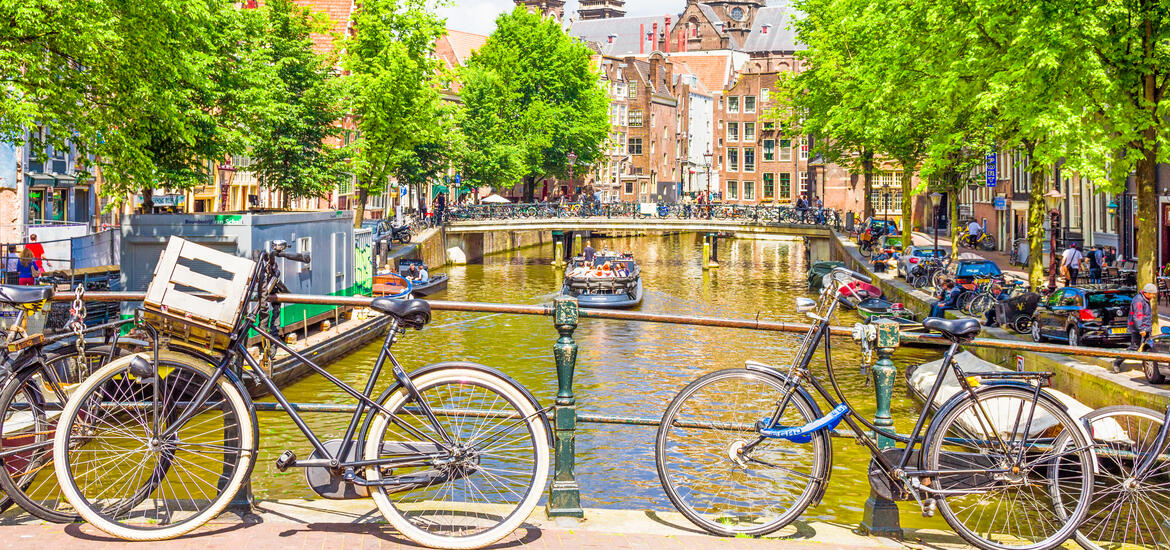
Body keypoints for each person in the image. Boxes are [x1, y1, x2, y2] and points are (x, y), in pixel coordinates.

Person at [1114, 283, 1156, 372]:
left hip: (1146, 327)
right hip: (1139, 328)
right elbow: (1138, 316)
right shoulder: (1139, 301)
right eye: (1153, 294)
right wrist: (1141, 329)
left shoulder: (1145, 299)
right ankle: (1117, 361)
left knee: (1147, 347)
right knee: (1134, 347)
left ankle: (1146, 366)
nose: (1154, 295)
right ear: (1147, 293)